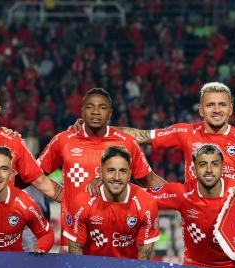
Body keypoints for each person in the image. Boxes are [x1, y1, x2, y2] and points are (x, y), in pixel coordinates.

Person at [117, 82, 235, 205]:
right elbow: (140, 135)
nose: (216, 110)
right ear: (201, 110)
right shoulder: (185, 133)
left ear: (230, 109)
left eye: (222, 105)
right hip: (196, 216)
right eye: (210, 105)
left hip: (231, 221)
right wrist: (103, 132)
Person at [38, 87, 164, 246]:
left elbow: (149, 180)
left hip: (118, 237)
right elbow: (35, 175)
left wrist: (183, 198)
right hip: (73, 236)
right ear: (82, 111)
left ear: (110, 113)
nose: (96, 112)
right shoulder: (63, 140)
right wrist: (60, 194)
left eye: (102, 107)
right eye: (90, 107)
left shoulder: (126, 142)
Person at [65, 146, 160, 260]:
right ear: (100, 173)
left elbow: (144, 258)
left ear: (130, 174)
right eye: (111, 170)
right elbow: (75, 252)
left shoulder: (147, 204)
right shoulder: (81, 202)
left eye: (122, 171)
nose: (117, 177)